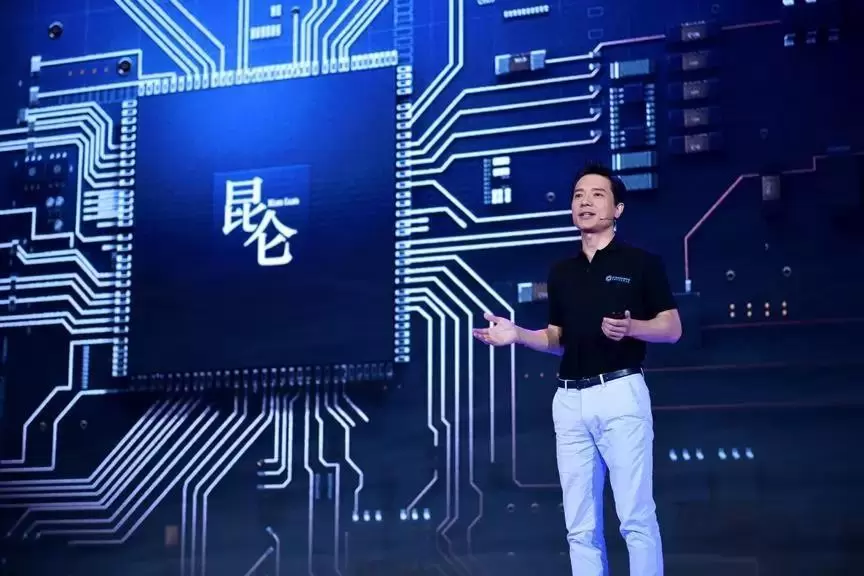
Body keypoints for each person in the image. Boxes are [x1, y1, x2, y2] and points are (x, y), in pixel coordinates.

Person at [472, 163, 681, 576]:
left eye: (597, 194)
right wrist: (517, 334)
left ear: (618, 209)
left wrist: (632, 328)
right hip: (569, 400)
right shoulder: (562, 273)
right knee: (579, 527)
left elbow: (672, 328)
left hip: (620, 392)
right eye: (578, 195)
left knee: (635, 518)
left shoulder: (641, 263)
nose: (585, 202)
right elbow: (557, 339)